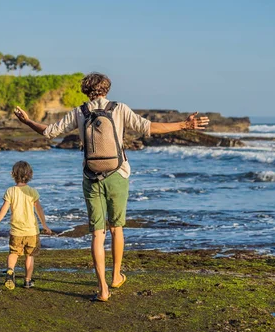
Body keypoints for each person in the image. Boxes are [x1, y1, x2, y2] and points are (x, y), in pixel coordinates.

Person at [13, 72, 208, 301]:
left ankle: (103, 289)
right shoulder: (119, 108)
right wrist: (184, 125)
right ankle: (116, 276)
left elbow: (48, 132)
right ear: (107, 89)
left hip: (91, 176)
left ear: (86, 91)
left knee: (97, 234)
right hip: (118, 173)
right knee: (117, 228)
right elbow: (148, 128)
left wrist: (27, 121)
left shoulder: (79, 112)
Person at [0, 160, 52, 290]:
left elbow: (4, 208)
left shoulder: (10, 191)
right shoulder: (32, 191)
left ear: (13, 175)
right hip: (31, 231)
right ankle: (27, 281)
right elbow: (39, 210)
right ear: (30, 175)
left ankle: (10, 271)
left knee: (13, 253)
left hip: (16, 231)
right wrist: (45, 225)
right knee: (30, 256)